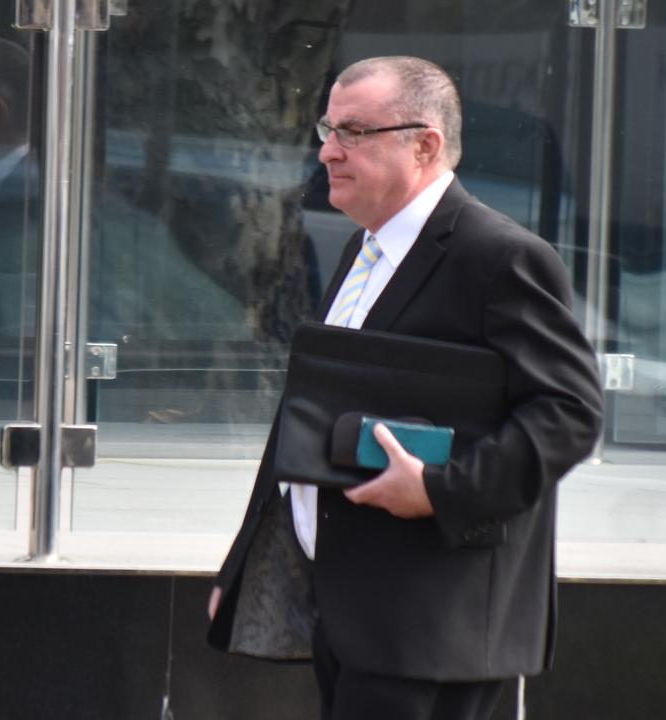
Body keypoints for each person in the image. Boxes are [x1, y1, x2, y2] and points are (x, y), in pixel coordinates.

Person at [206, 55, 603, 720]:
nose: (329, 150)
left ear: (425, 144)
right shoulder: (365, 250)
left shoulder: (499, 256)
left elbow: (569, 414)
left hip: (432, 623)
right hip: (350, 612)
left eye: (354, 132)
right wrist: (247, 562)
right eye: (327, 129)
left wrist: (439, 491)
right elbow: (309, 412)